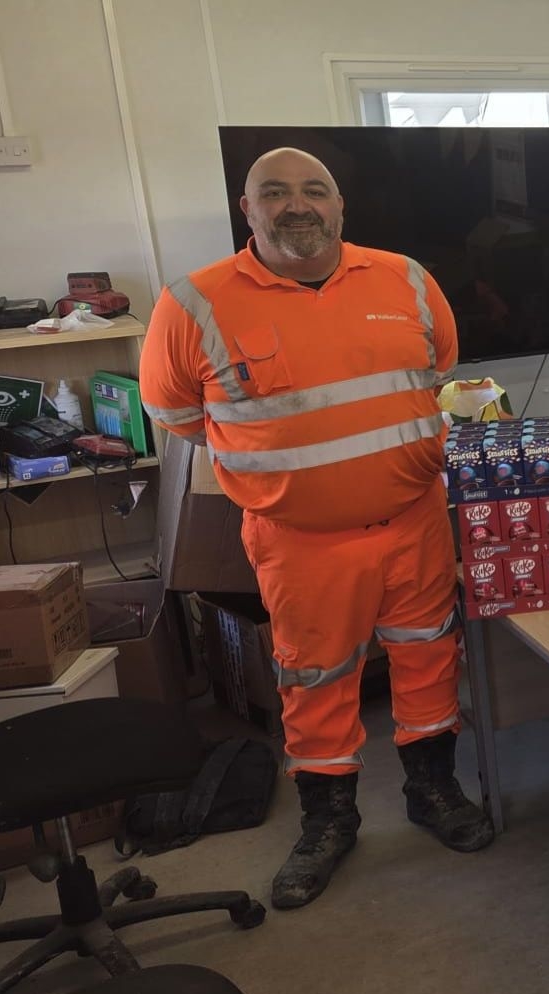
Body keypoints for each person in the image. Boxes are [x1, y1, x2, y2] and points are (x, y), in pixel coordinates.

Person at [139, 147, 495, 912]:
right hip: (299, 542)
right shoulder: (193, 304)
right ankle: (328, 823)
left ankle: (433, 792)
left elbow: (440, 374)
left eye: (314, 191)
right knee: (315, 681)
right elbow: (175, 417)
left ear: (339, 207)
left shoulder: (406, 280)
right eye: (275, 193)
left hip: (415, 521)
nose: (296, 205)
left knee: (431, 660)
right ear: (248, 209)